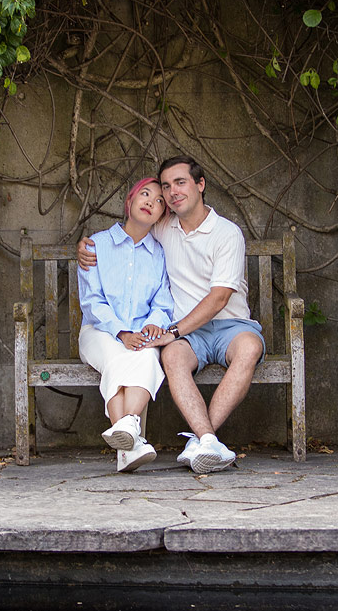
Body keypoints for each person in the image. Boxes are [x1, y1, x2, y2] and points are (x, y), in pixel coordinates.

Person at [78, 157, 265, 473]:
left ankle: (203, 439)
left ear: (200, 185)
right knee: (171, 358)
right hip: (185, 335)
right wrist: (83, 245)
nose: (171, 193)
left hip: (228, 326)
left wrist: (170, 330)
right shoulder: (163, 227)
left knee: (249, 348)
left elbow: (219, 298)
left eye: (180, 183)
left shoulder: (227, 233)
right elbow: (128, 234)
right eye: (166, 186)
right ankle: (202, 439)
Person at [77, 177, 174, 472]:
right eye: (145, 194)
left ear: (161, 216)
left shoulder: (159, 254)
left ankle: (127, 439)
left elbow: (163, 301)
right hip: (99, 331)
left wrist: (153, 326)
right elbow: (92, 302)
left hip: (140, 333)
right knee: (117, 356)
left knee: (148, 355)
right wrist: (122, 332)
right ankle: (131, 430)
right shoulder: (97, 244)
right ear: (129, 201)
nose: (151, 202)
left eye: (159, 201)